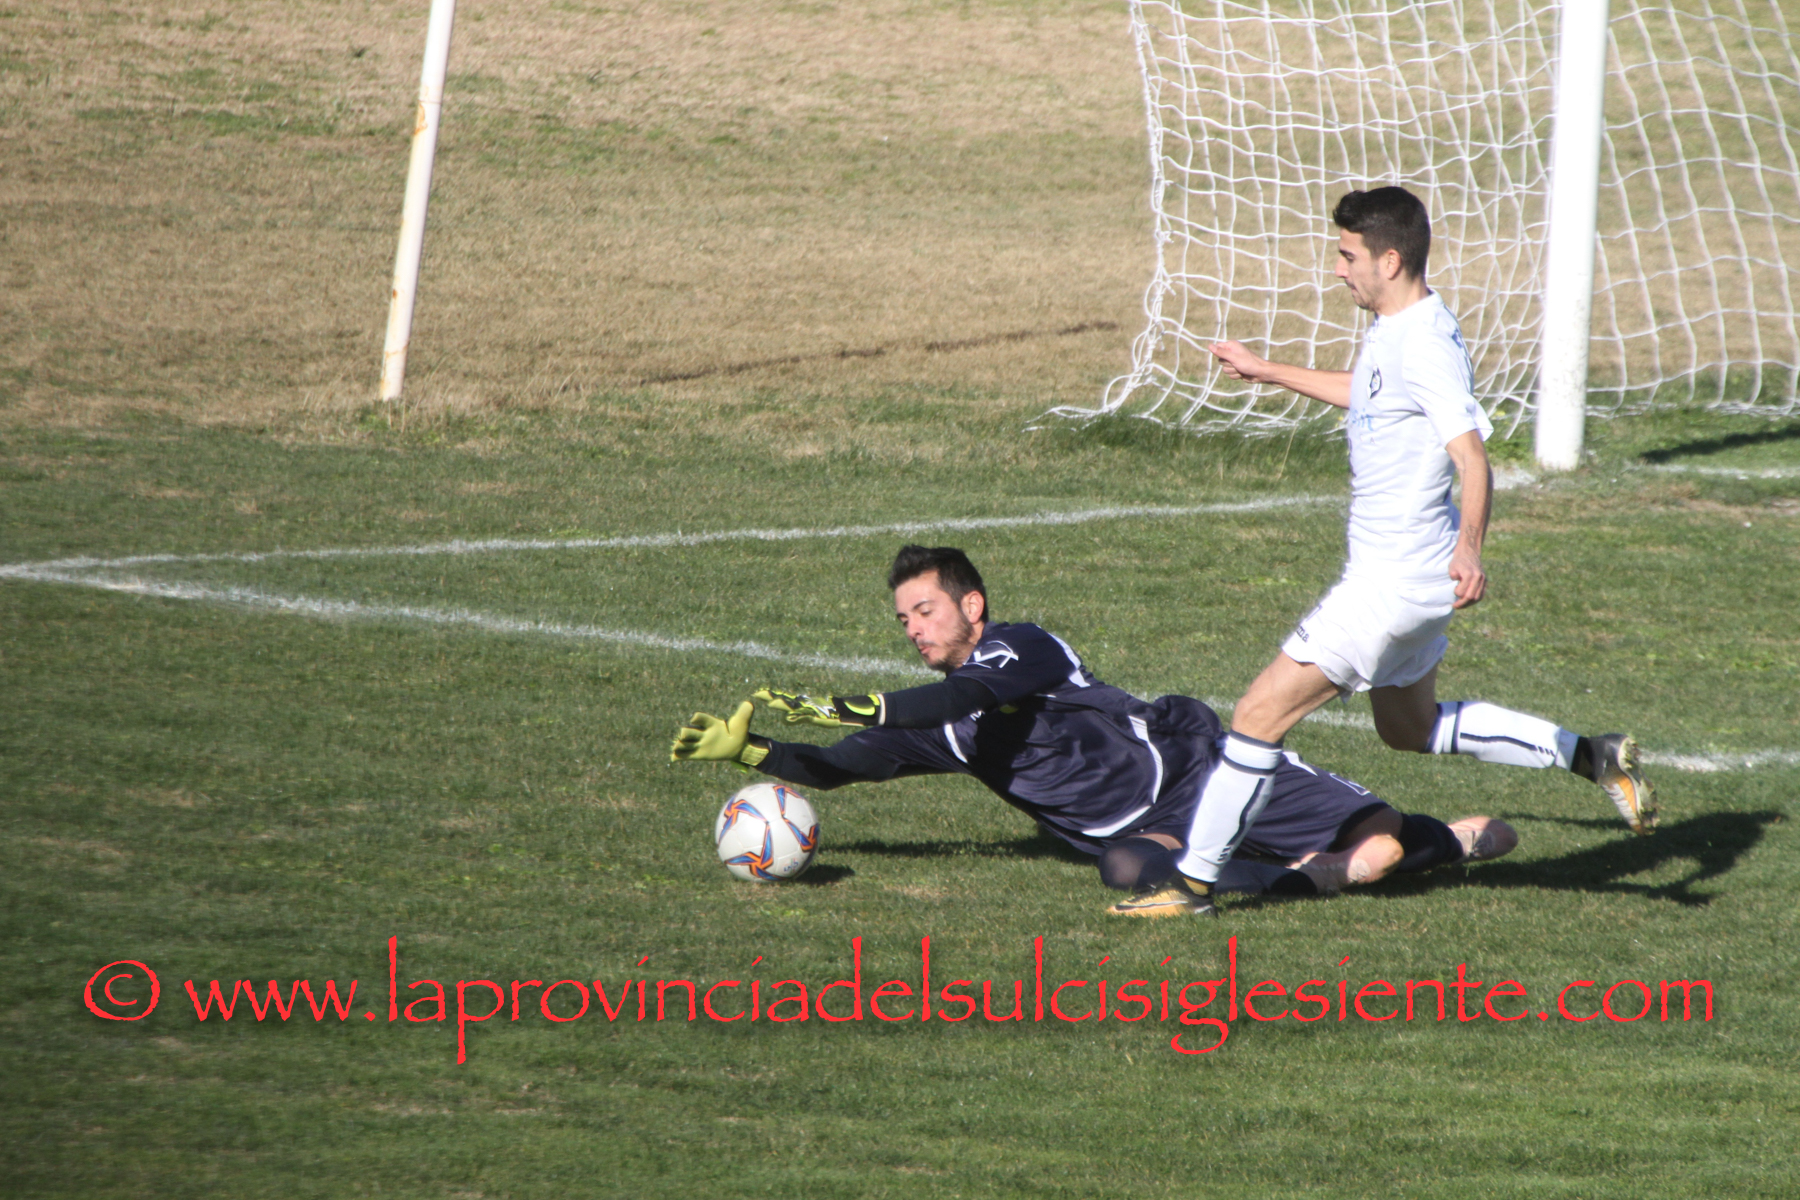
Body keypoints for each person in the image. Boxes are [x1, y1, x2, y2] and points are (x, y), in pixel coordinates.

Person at [1131, 186, 1653, 919]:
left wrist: (1471, 549)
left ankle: (1191, 885)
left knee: (1256, 715)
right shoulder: (1397, 325)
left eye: (1348, 256)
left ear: (1390, 259)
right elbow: (1372, 393)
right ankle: (1590, 755)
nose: (1337, 269)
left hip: (1391, 584)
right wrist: (1268, 369)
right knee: (1410, 728)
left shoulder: (1426, 345)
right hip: (1415, 580)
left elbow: (1472, 457)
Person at [669, 545, 1518, 915]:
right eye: (903, 620)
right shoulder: (947, 734)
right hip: (1149, 830)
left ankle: (1441, 840)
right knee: (1123, 868)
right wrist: (753, 752)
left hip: (1200, 771)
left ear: (971, 604)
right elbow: (838, 767)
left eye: (924, 610)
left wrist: (868, 704)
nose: (914, 629)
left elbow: (957, 699)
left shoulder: (1024, 650)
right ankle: (1306, 879)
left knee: (1380, 839)